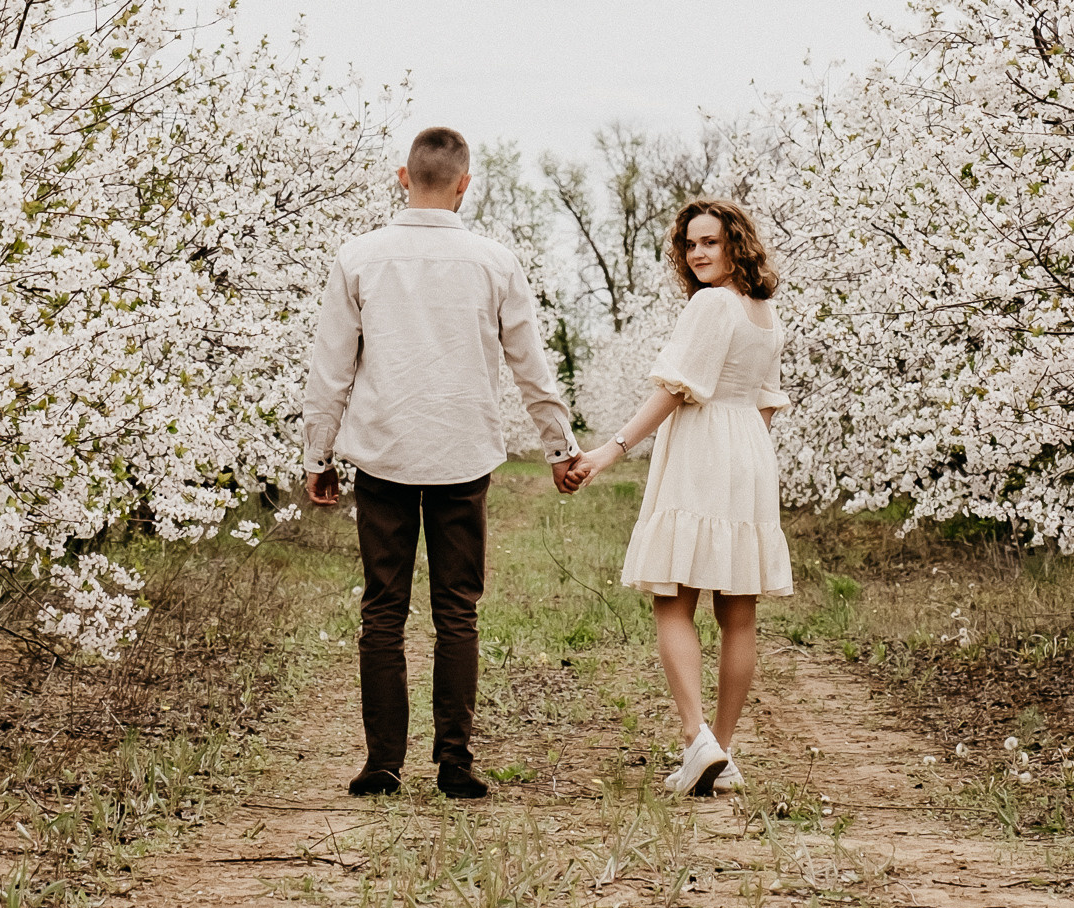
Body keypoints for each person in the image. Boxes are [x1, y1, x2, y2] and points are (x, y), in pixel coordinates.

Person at [304, 123, 580, 801]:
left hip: (383, 454)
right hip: (462, 453)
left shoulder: (358, 257)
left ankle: (382, 764)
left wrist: (318, 454)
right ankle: (454, 762)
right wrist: (559, 448)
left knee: (382, 611)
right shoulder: (495, 262)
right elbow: (531, 366)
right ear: (465, 184)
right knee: (457, 612)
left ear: (403, 177)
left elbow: (330, 369)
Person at [561, 197, 791, 796]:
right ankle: (723, 751)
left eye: (710, 242)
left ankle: (697, 738)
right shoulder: (765, 313)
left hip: (702, 448)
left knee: (672, 599)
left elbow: (675, 390)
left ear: (737, 243)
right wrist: (744, 455)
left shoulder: (712, 304)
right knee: (738, 612)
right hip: (750, 451)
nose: (697, 254)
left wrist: (611, 449)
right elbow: (766, 402)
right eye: (690, 244)